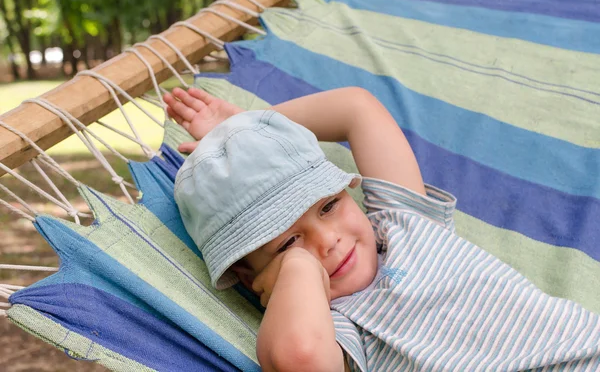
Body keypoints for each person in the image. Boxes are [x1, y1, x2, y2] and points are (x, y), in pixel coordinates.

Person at [165, 86, 600, 372]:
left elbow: (357, 108)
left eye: (330, 205)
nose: (326, 240)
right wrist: (298, 270)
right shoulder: (336, 329)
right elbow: (297, 356)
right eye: (288, 242)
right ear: (250, 278)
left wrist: (251, 130)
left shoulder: (404, 224)